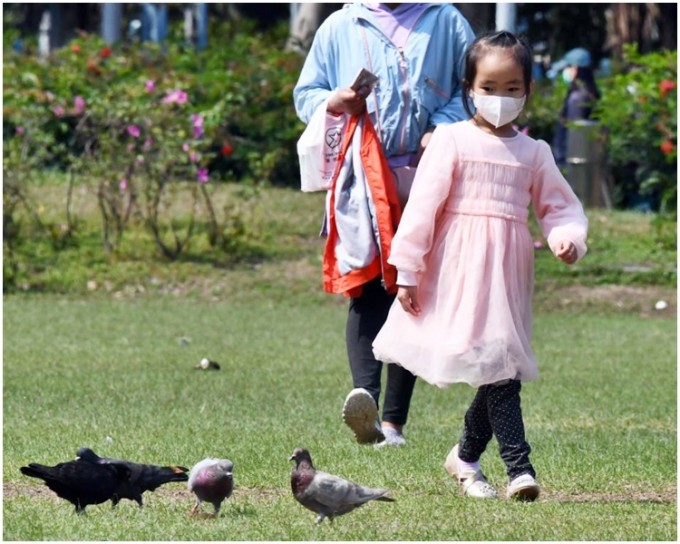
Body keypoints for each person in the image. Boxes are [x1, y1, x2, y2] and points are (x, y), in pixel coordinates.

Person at [372, 30, 588, 499]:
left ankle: (466, 457)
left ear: (528, 91)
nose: (500, 98)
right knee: (499, 369)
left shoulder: (535, 152)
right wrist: (407, 270)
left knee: (500, 366)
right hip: (457, 273)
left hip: (507, 275)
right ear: (469, 87)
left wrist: (567, 238)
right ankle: (519, 469)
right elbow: (423, 210)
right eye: (489, 87)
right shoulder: (450, 140)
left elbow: (560, 208)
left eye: (512, 88)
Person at [293, 3, 475, 447]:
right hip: (362, 178)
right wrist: (333, 101)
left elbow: (472, 87)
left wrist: (442, 126)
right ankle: (368, 408)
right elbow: (306, 95)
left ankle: (394, 422)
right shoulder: (340, 25)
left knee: (411, 290)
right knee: (366, 287)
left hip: (430, 173)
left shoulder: (447, 21)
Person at [549, 48, 601, 169]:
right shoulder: (590, 94)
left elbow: (574, 133)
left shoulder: (577, 98)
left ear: (575, 69)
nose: (565, 71)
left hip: (571, 165)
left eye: (567, 67)